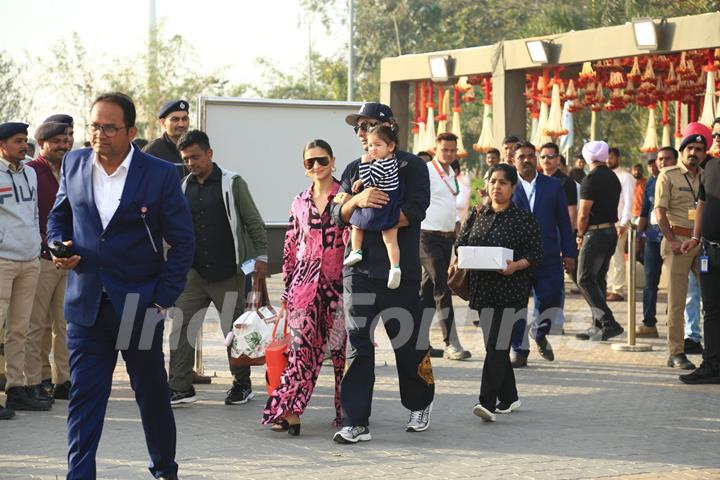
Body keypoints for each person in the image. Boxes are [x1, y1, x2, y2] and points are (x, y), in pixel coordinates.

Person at [48, 92, 194, 480]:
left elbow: (183, 242)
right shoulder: (74, 164)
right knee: (84, 399)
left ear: (131, 131)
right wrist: (57, 246)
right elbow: (58, 217)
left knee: (152, 396)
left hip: (140, 307)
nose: (99, 134)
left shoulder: (160, 173)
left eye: (109, 127)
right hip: (87, 306)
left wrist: (162, 299)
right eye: (94, 126)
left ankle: (164, 469)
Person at [331, 102, 434, 443]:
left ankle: (419, 403)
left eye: (367, 126)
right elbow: (338, 213)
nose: (361, 133)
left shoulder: (412, 165)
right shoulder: (352, 168)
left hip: (398, 272)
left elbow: (416, 210)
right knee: (358, 345)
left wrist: (378, 215)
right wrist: (357, 204)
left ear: (389, 127)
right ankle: (356, 421)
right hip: (358, 271)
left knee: (408, 342)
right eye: (357, 128)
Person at [169, 129, 268, 406]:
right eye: (186, 159)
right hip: (193, 273)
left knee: (235, 332)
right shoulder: (184, 186)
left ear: (210, 154)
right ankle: (180, 387)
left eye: (196, 157)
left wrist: (261, 256)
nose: (191, 163)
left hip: (229, 274)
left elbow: (253, 222)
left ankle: (241, 385)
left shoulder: (232, 183)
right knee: (181, 326)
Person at [262, 139, 347, 434]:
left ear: (333, 161)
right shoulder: (299, 201)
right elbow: (290, 247)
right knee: (300, 353)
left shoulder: (346, 197)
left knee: (341, 354)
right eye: (309, 162)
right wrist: (287, 289)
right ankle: (289, 411)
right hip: (304, 288)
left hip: (340, 287)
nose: (316, 167)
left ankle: (347, 412)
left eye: (322, 160)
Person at [456, 163, 542, 422]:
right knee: (496, 347)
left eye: (502, 182)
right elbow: (462, 243)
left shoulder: (523, 219)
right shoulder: (478, 213)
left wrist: (516, 265)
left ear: (513, 188)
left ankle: (487, 403)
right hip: (483, 292)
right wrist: (461, 258)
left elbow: (536, 253)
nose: (496, 187)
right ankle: (509, 397)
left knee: (495, 346)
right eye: (493, 181)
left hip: (511, 292)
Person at [509, 142, 575, 368]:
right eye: (521, 157)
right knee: (516, 304)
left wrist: (569, 252)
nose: (526, 160)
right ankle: (519, 349)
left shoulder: (553, 186)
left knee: (551, 300)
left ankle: (539, 332)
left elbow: (564, 222)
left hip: (547, 255)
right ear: (513, 161)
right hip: (516, 258)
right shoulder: (508, 185)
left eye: (530, 156)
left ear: (536, 159)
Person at [0, 122, 47, 419]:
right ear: (2, 144)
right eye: (18, 141)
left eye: (25, 140)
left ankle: (17, 388)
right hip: (2, 259)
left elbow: (34, 212)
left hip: (29, 259)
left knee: (20, 328)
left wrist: (36, 243)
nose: (24, 145)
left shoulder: (30, 172)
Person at [654, 123, 708, 370]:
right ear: (683, 150)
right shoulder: (668, 175)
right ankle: (676, 352)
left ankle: (710, 350)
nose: (694, 153)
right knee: (677, 301)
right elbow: (659, 211)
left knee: (710, 299)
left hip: (703, 244)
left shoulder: (708, 175)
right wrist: (673, 241)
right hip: (678, 243)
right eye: (690, 148)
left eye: (699, 149)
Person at [25, 122, 72, 402]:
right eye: (56, 141)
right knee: (36, 325)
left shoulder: (71, 170)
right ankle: (37, 379)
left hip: (68, 259)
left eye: (66, 140)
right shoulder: (31, 172)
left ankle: (63, 380)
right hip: (41, 258)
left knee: (65, 324)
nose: (63, 146)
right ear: (41, 143)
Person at [420, 133, 471, 360]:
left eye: (452, 150)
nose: (449, 154)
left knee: (428, 292)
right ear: (435, 149)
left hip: (447, 237)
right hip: (425, 236)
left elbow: (449, 206)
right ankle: (452, 343)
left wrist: (458, 231)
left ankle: (419, 343)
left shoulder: (452, 173)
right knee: (443, 285)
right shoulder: (426, 171)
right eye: (444, 150)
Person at [679, 131, 720, 385]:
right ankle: (712, 364)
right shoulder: (711, 167)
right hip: (709, 251)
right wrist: (695, 238)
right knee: (711, 310)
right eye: (716, 133)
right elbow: (702, 204)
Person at [575, 141, 624, 342]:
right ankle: (598, 327)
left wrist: (579, 233)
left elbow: (583, 213)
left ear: (587, 158)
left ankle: (608, 322)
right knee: (598, 279)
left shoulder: (590, 180)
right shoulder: (613, 177)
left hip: (595, 234)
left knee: (584, 279)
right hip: (610, 232)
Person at [343, 125, 403, 289]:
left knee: (356, 224)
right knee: (390, 240)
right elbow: (376, 177)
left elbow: (370, 179)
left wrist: (364, 163)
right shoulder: (392, 162)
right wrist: (362, 180)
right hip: (391, 205)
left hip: (377, 205)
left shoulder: (379, 164)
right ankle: (395, 267)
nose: (372, 149)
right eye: (370, 146)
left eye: (377, 145)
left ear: (390, 146)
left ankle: (356, 251)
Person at [636, 148, 676, 339]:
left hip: (675, 238)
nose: (662, 162)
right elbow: (644, 212)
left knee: (676, 282)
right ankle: (649, 323)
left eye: (667, 158)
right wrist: (638, 239)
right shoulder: (651, 181)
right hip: (652, 236)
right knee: (650, 282)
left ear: (675, 160)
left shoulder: (681, 180)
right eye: (660, 159)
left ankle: (674, 322)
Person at [605, 147, 634, 302]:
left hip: (619, 224)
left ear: (618, 158)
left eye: (611, 157)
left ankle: (618, 289)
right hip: (607, 223)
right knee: (608, 258)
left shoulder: (626, 177)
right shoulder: (607, 175)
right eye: (606, 158)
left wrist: (623, 223)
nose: (608, 160)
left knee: (617, 258)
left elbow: (629, 201)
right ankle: (610, 288)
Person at [143, 99, 190, 179]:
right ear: (163, 123)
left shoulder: (194, 148)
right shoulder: (152, 152)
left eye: (185, 119)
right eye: (175, 119)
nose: (181, 124)